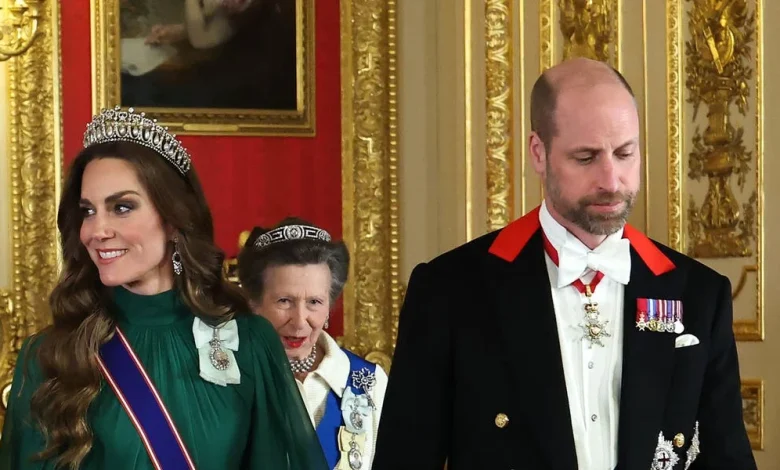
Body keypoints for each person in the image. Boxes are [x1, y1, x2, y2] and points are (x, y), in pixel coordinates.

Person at [373, 58, 757, 470]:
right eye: (586, 157)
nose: (612, 180)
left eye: (625, 153)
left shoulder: (698, 294)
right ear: (539, 153)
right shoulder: (451, 291)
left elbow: (726, 459)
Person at [0, 107, 329, 469]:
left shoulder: (249, 343)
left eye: (122, 207)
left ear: (174, 221)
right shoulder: (50, 354)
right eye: (88, 211)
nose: (96, 231)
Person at [237, 218, 388, 470]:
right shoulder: (229, 379)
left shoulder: (368, 383)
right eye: (284, 301)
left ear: (329, 307)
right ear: (253, 303)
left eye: (314, 302)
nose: (299, 322)